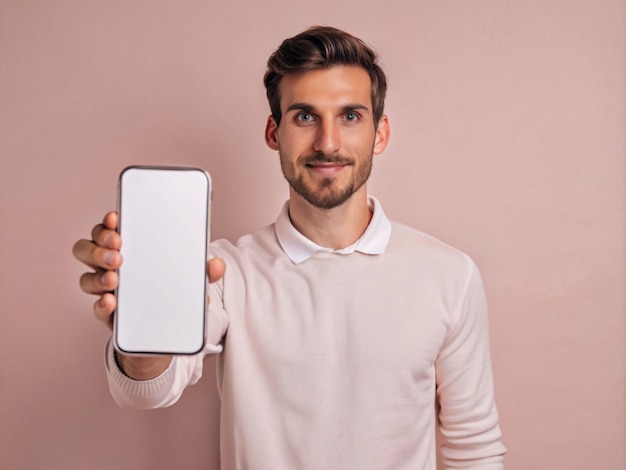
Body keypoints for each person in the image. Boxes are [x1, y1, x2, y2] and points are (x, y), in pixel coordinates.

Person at [73, 26, 506, 469]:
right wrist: (141, 339)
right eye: (304, 116)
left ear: (380, 133)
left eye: (350, 116)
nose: (328, 142)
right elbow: (147, 392)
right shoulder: (223, 271)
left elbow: (474, 447)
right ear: (273, 132)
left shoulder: (450, 275)